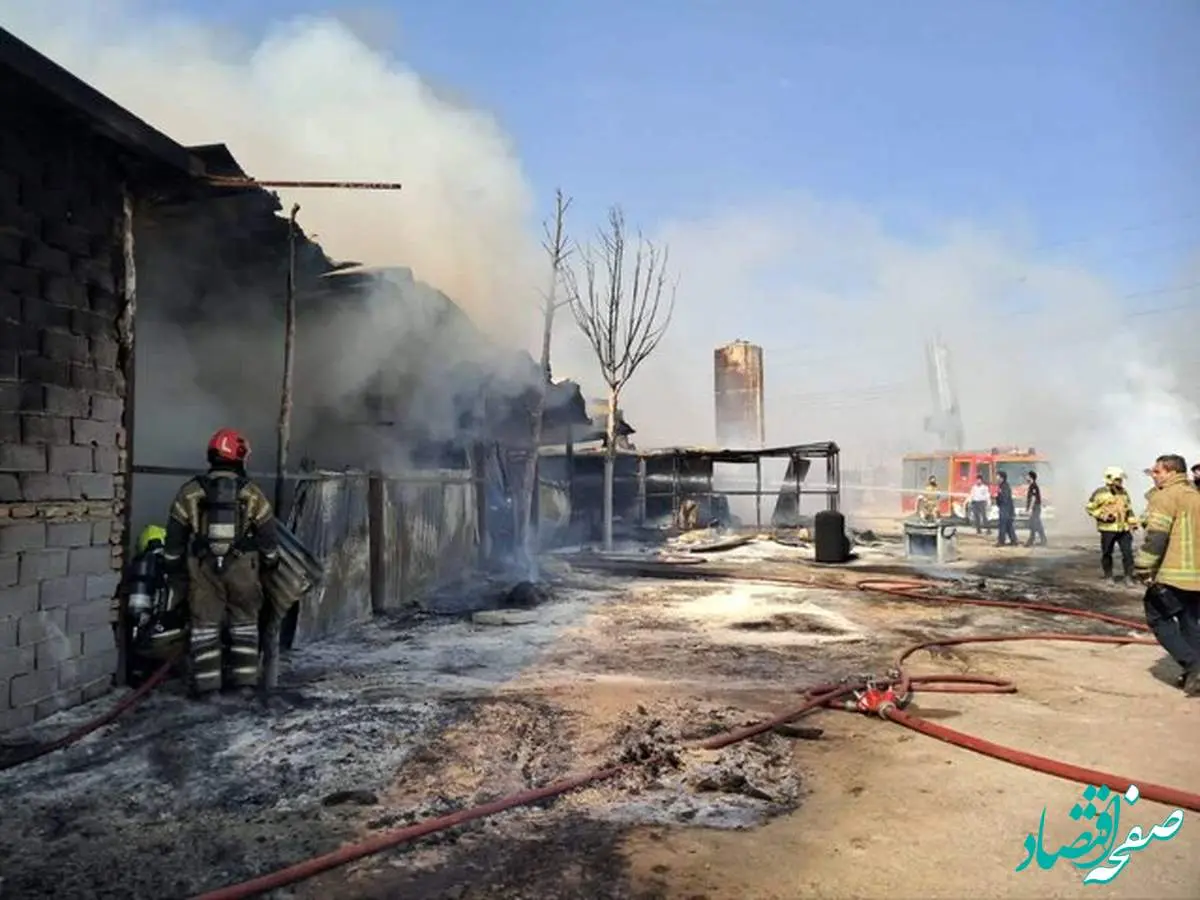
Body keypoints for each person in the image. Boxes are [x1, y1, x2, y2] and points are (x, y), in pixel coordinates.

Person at [163, 428, 280, 697]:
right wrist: (270, 562)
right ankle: (245, 686)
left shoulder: (190, 492)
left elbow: (174, 537)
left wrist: (173, 567)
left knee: (205, 626)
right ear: (239, 456)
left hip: (202, 568)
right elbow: (268, 534)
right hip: (243, 568)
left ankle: (208, 691)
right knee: (245, 624)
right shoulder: (252, 493)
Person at [1134, 454, 1200, 695]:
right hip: (1196, 577)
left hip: (1173, 573)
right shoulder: (1195, 495)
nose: (1153, 476)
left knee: (1157, 617)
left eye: (1157, 471)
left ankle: (1194, 666)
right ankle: (1195, 672)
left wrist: (1143, 567)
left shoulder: (1165, 496)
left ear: (1171, 472)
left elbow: (1157, 537)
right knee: (1189, 622)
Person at [110, 524, 186, 684]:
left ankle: (144, 672)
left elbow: (136, 613)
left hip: (146, 641)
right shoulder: (177, 566)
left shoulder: (141, 566)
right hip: (174, 638)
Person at [1085, 466, 1139, 585]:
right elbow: (1089, 508)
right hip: (1108, 529)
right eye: (1118, 480)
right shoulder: (1100, 493)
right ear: (1110, 479)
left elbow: (1129, 509)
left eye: (1121, 480)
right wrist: (1103, 516)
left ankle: (1128, 577)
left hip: (1123, 529)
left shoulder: (1124, 493)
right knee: (1107, 553)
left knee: (1128, 554)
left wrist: (1133, 523)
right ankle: (1108, 576)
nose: (1120, 482)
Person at [994, 471, 1018, 546]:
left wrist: (998, 496)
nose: (996, 478)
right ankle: (1014, 541)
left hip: (1005, 508)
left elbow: (1005, 498)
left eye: (997, 476)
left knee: (1003, 525)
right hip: (1006, 508)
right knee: (1008, 525)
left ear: (1002, 478)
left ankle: (1001, 541)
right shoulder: (1002, 486)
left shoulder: (1004, 486)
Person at [1024, 470, 1047, 547]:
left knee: (1035, 524)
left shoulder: (1033, 486)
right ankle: (1041, 540)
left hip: (1035, 508)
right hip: (1036, 507)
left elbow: (1033, 498)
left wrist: (1030, 509)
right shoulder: (1032, 485)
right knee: (1036, 524)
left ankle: (1032, 540)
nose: (1026, 477)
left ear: (1031, 477)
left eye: (1027, 476)